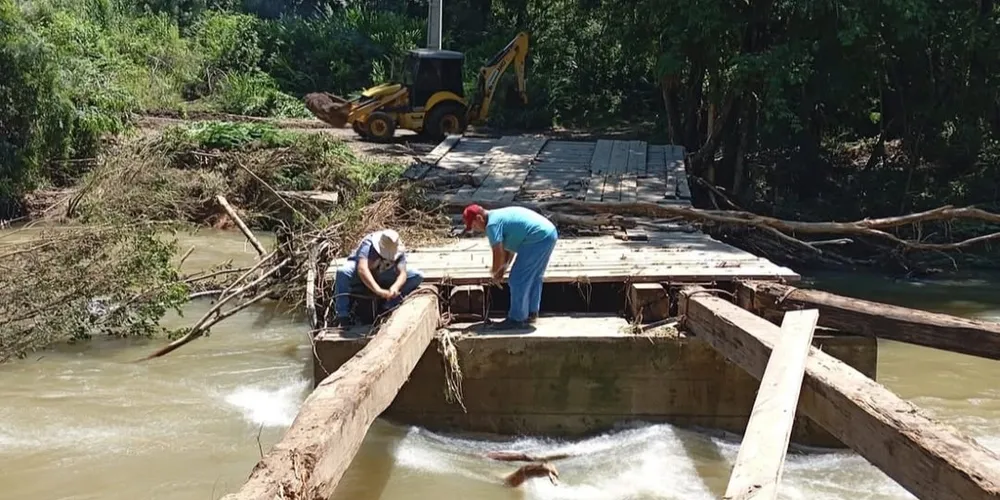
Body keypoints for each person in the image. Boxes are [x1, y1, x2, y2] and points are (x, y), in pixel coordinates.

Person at [462, 204, 558, 329]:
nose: (475, 230)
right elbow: (509, 250)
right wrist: (502, 270)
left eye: (474, 226)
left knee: (517, 279)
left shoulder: (492, 225)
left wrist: (495, 273)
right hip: (549, 233)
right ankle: (531, 312)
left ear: (479, 218)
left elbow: (498, 252)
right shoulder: (498, 217)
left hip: (537, 237)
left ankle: (517, 319)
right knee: (534, 276)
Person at [331, 229, 423, 327]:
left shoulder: (397, 249)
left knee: (417, 276)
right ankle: (343, 316)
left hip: (384, 273)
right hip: (358, 272)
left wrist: (395, 287)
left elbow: (402, 274)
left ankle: (389, 305)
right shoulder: (368, 244)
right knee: (342, 272)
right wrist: (378, 290)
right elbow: (362, 269)